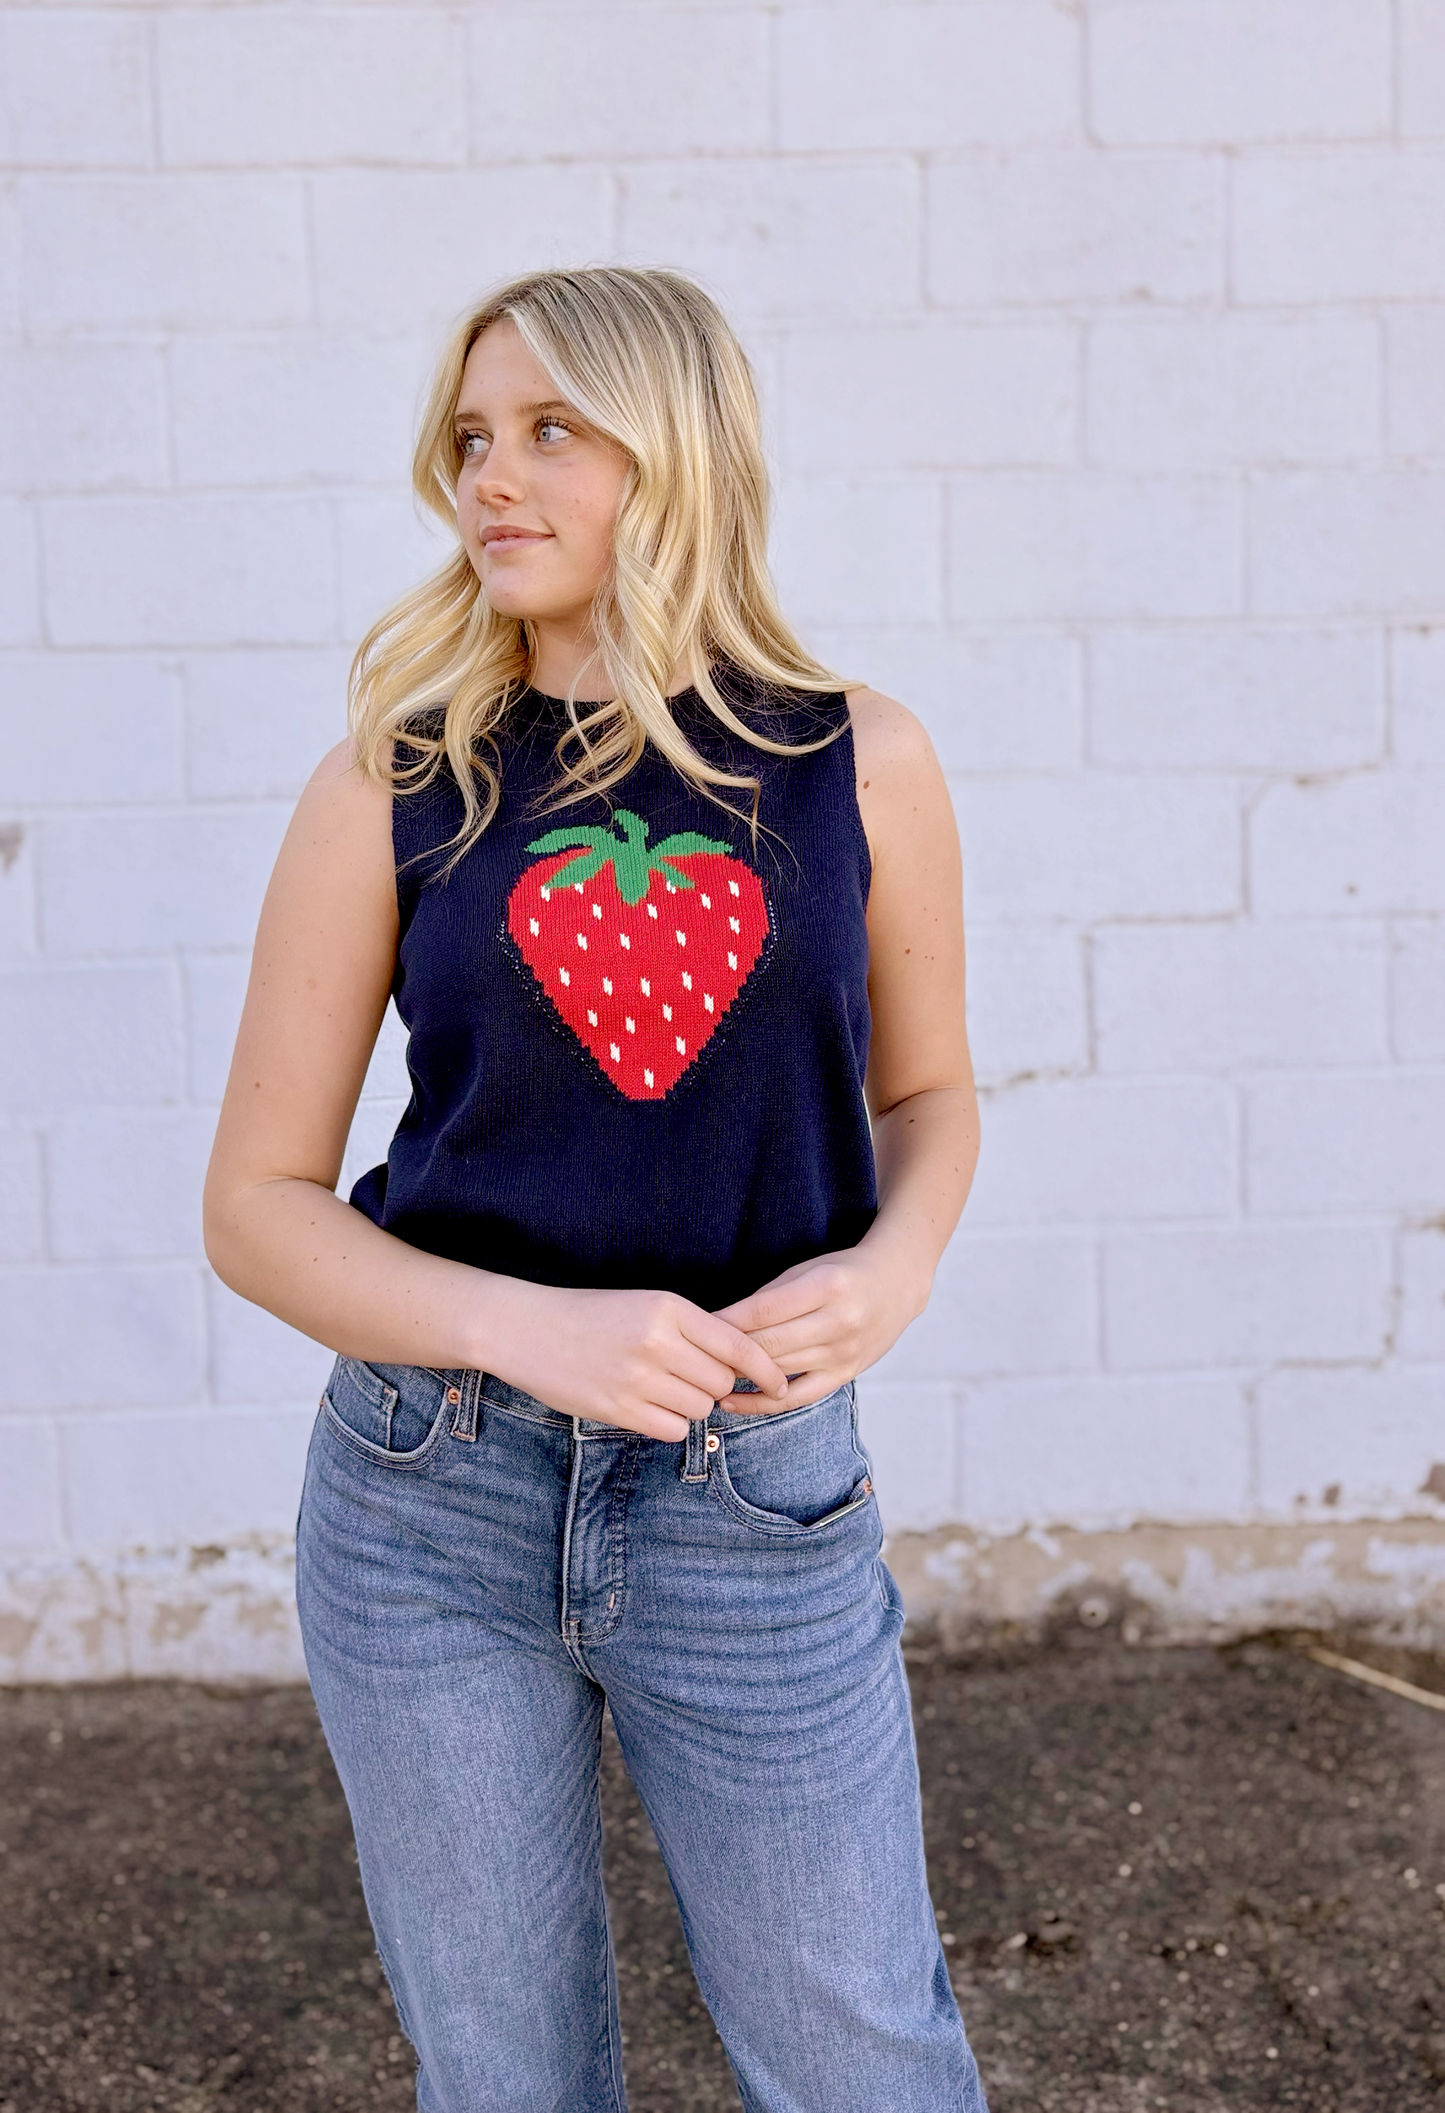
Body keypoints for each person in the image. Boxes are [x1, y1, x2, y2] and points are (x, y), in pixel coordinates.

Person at [204, 265, 986, 2113]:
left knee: (861, 2055)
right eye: (474, 437)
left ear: (679, 453)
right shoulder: (392, 786)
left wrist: (901, 1261)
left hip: (753, 1503)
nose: (493, 476)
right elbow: (256, 1203)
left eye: (553, 429)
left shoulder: (859, 762)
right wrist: (519, 1327)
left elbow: (932, 1090)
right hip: (427, 1504)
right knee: (509, 2076)